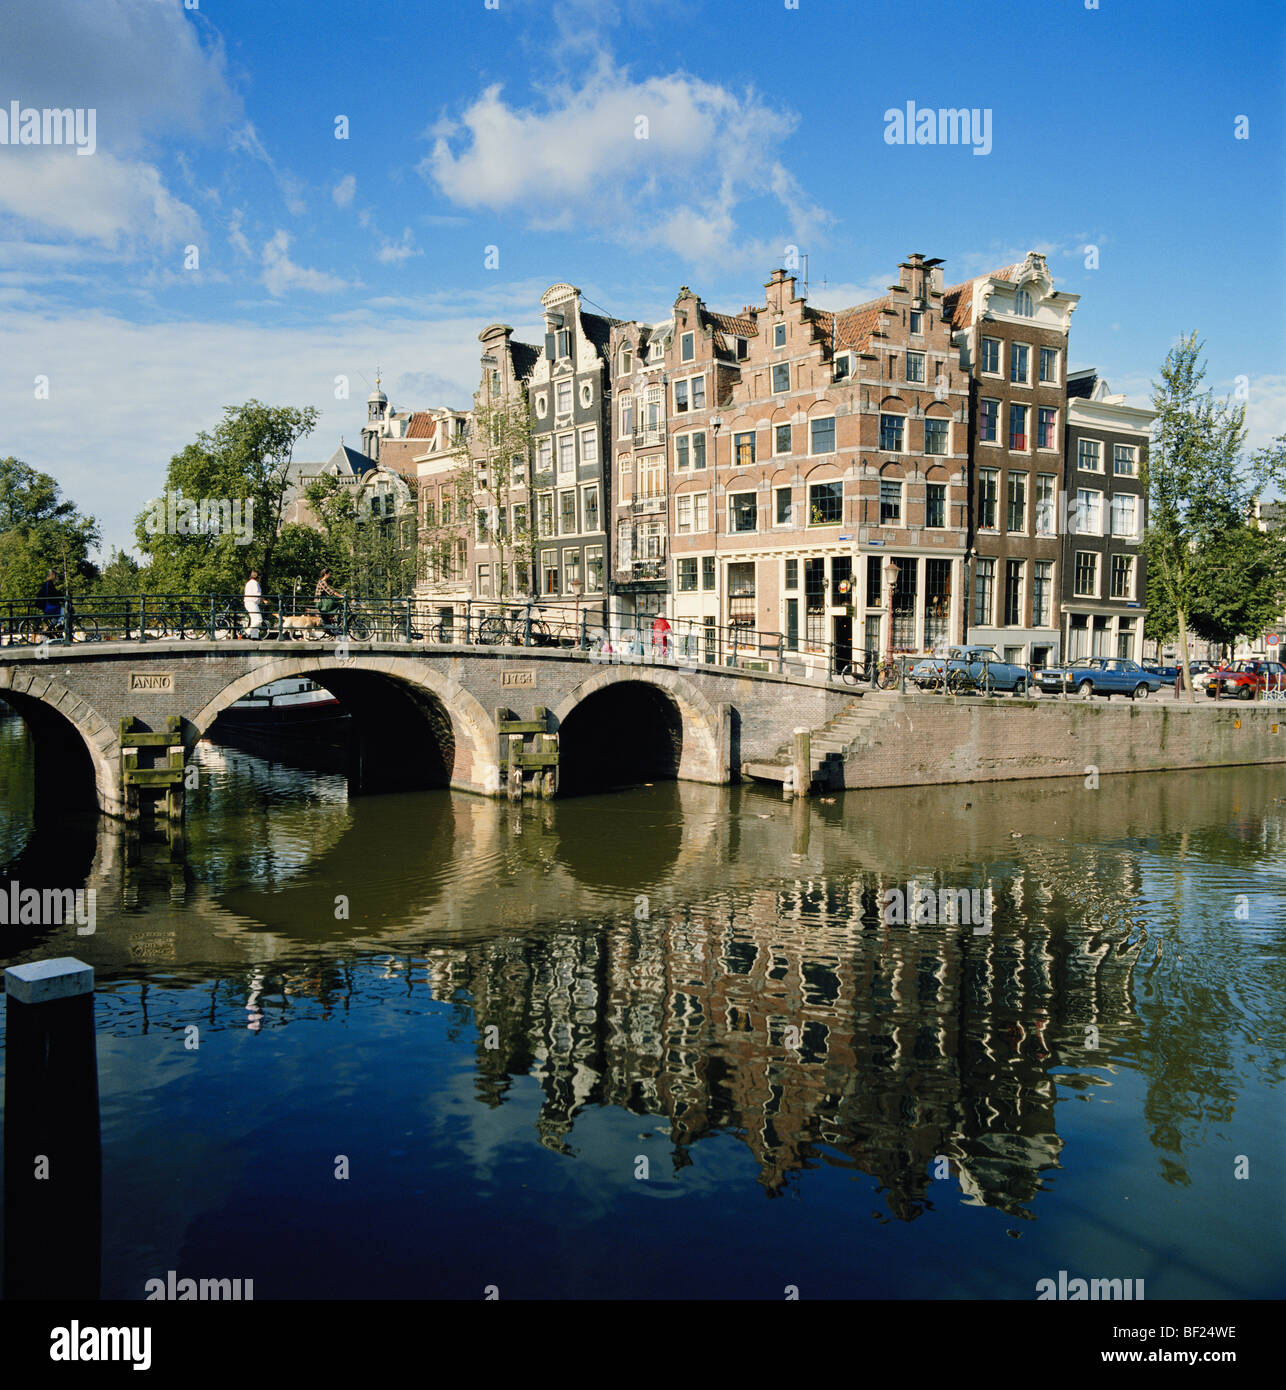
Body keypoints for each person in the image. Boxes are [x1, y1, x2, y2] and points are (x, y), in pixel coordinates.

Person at [243, 568, 262, 638]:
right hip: (252, 603)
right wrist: (263, 600)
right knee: (259, 620)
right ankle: (247, 632)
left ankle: (254, 636)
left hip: (248, 602)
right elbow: (257, 594)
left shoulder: (249, 583)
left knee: (254, 620)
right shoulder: (255, 583)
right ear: (258, 577)